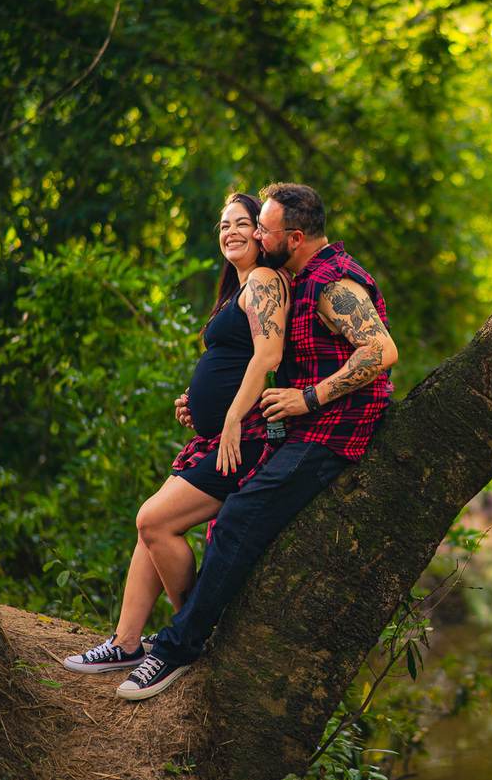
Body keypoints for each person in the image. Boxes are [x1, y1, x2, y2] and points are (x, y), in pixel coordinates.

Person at [116, 182, 398, 700]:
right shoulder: (297, 278)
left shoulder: (333, 282)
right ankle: (167, 636)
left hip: (332, 431)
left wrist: (306, 399)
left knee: (238, 518)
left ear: (292, 237)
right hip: (302, 427)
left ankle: (178, 648)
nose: (254, 234)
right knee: (224, 518)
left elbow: (380, 351)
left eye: (262, 229)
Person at [63, 193, 290, 673]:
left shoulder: (266, 281)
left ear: (262, 234)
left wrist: (227, 419)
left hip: (244, 438)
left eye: (242, 223)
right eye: (223, 224)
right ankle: (126, 643)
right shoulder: (239, 287)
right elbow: (229, 362)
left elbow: (267, 358)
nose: (230, 231)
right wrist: (200, 404)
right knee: (147, 531)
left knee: (154, 521)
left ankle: (191, 630)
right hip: (216, 434)